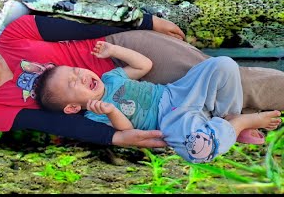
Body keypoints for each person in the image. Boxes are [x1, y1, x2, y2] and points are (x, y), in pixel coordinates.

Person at [0, 13, 284, 149]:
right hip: (132, 101)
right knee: (190, 119)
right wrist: (116, 137)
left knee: (230, 77)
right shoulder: (0, 108)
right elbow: (62, 124)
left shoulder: (11, 34)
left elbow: (80, 20)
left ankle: (233, 119)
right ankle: (231, 121)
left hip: (120, 52)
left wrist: (145, 22)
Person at [33, 40, 282, 163]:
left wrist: (114, 51)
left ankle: (229, 117)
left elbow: (144, 65)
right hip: (169, 120)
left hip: (175, 93)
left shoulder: (111, 77)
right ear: (73, 107)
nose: (81, 76)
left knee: (222, 65)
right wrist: (110, 112)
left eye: (77, 71)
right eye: (72, 83)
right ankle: (239, 125)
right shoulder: (94, 115)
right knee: (199, 151)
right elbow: (128, 131)